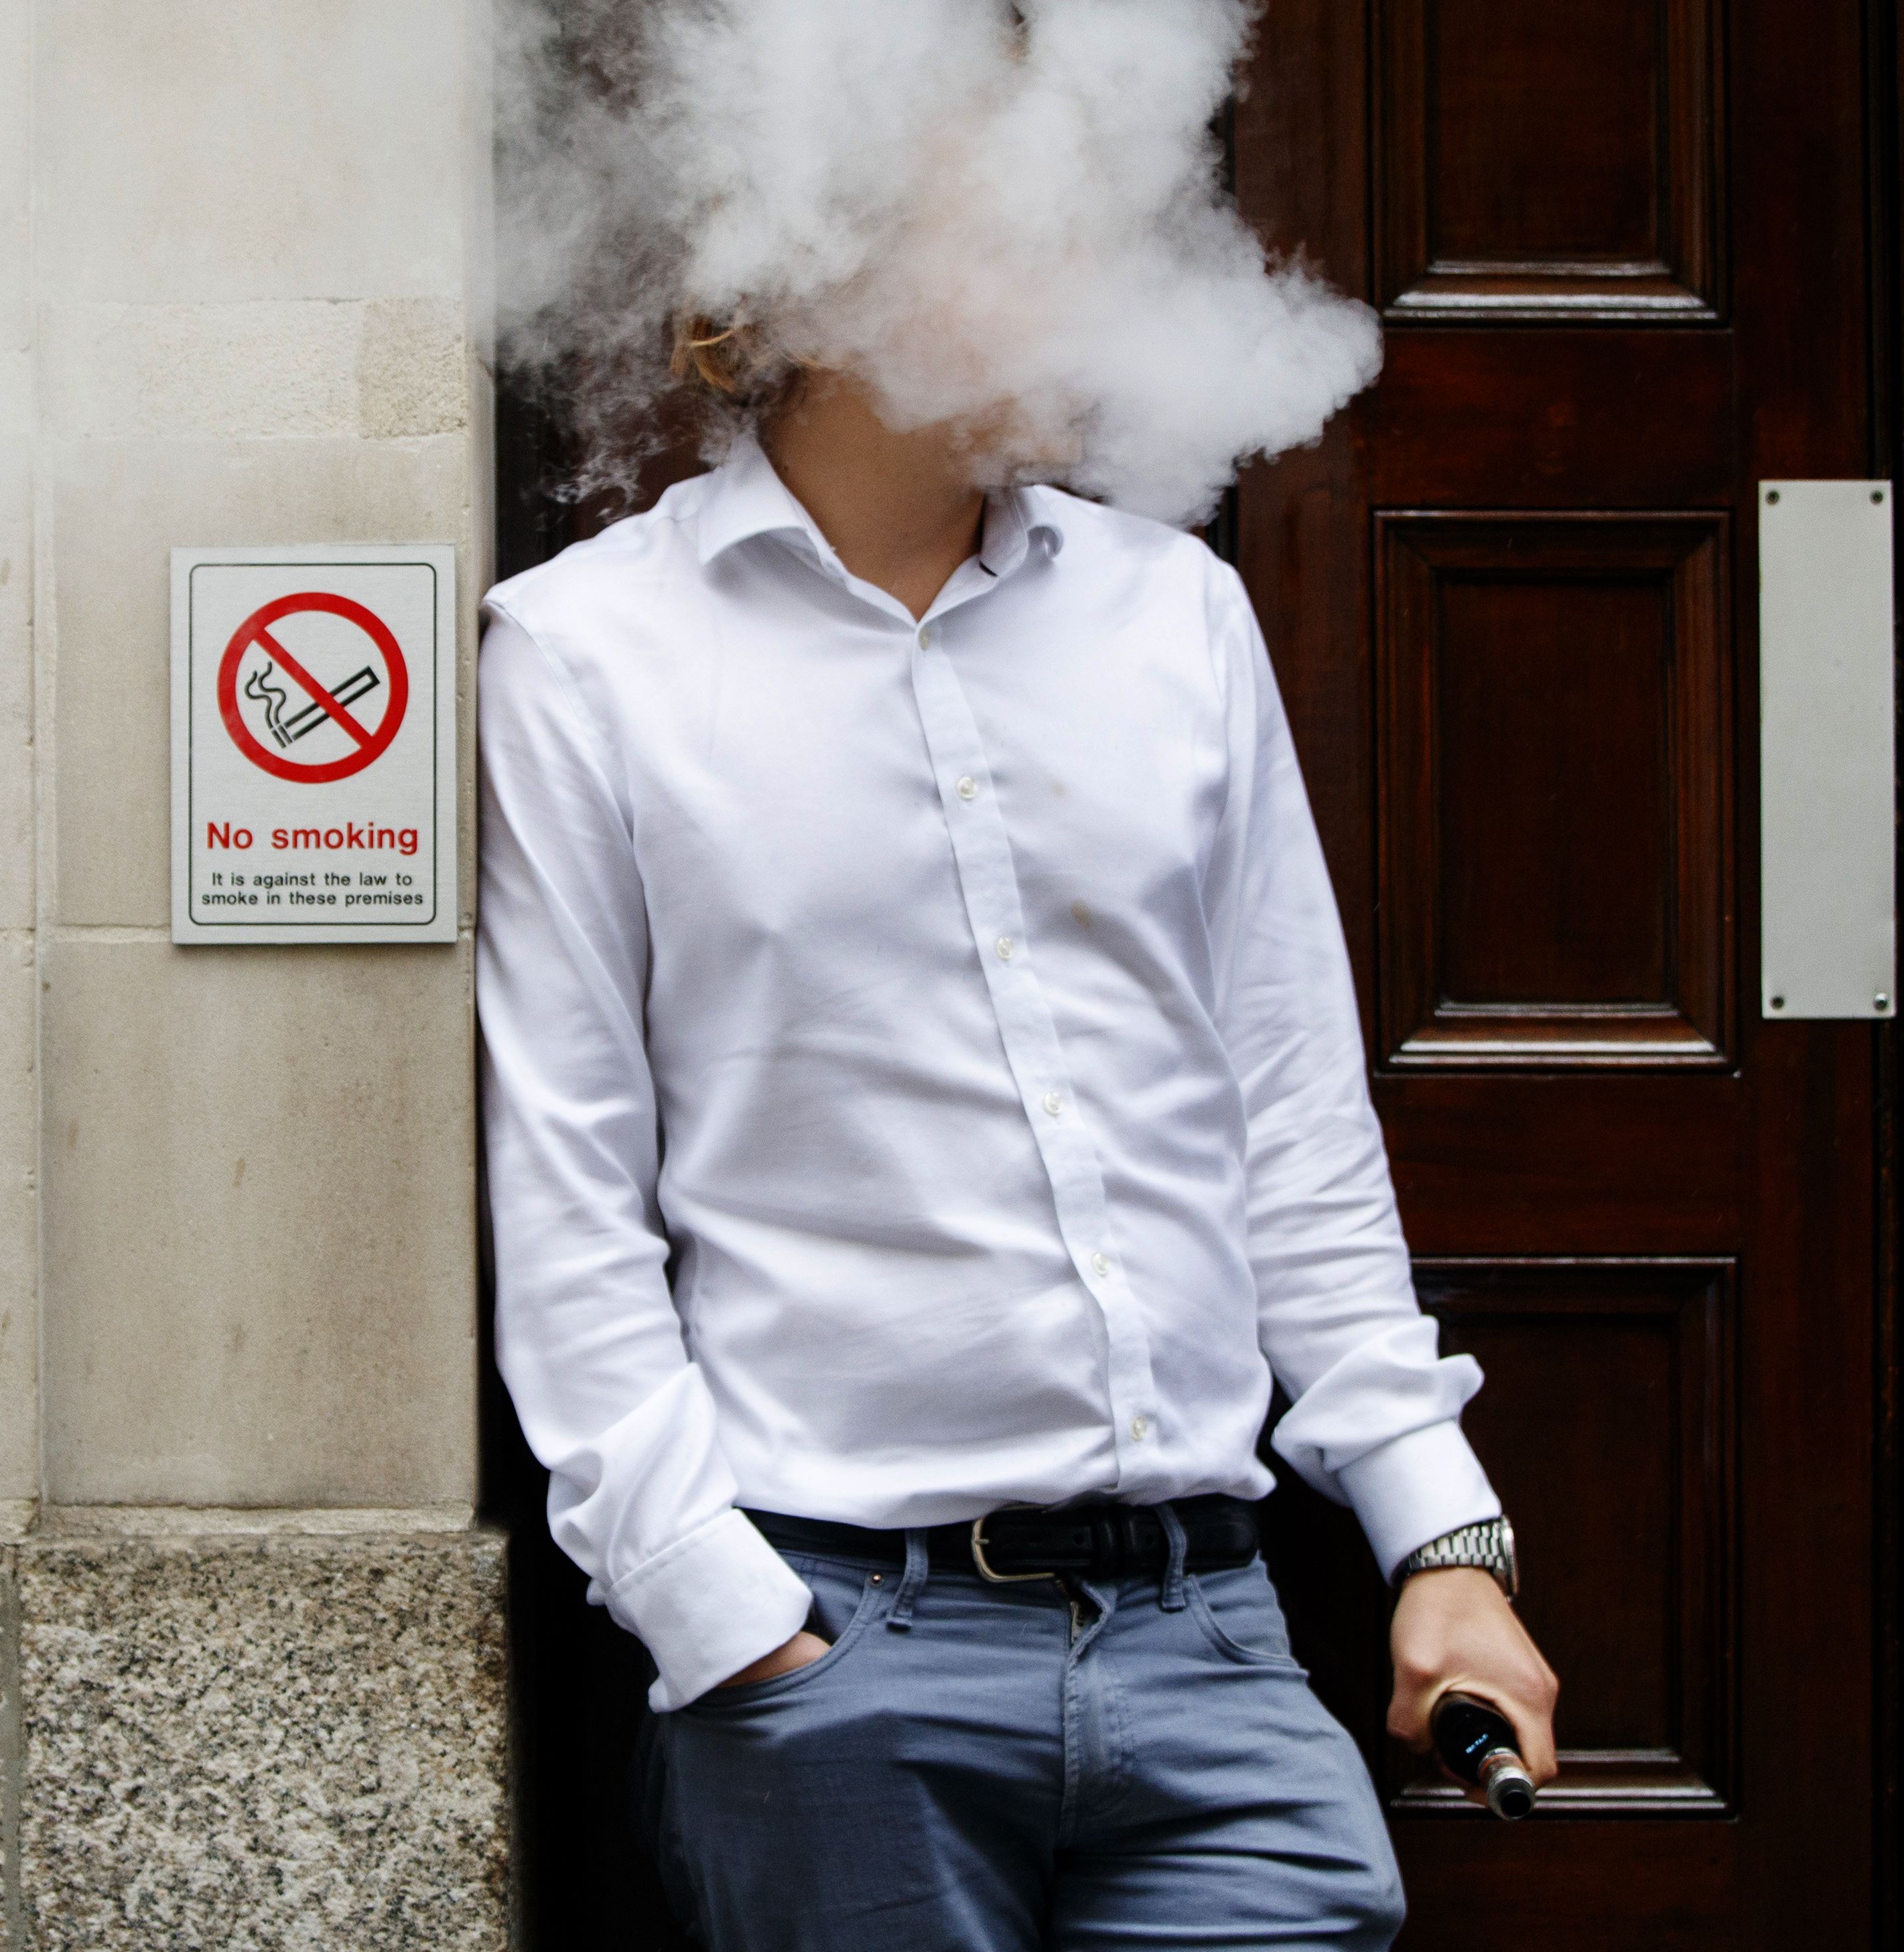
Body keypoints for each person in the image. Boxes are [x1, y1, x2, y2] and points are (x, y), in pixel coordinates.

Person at [478, 346, 1561, 1950]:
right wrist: (727, 1625)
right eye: (1021, 215)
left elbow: (1289, 1123)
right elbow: (568, 1210)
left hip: (1208, 1638)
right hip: (836, 1649)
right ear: (812, 260)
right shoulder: (583, 655)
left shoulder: (1175, 612)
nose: (1099, 281)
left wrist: (1441, 1539)